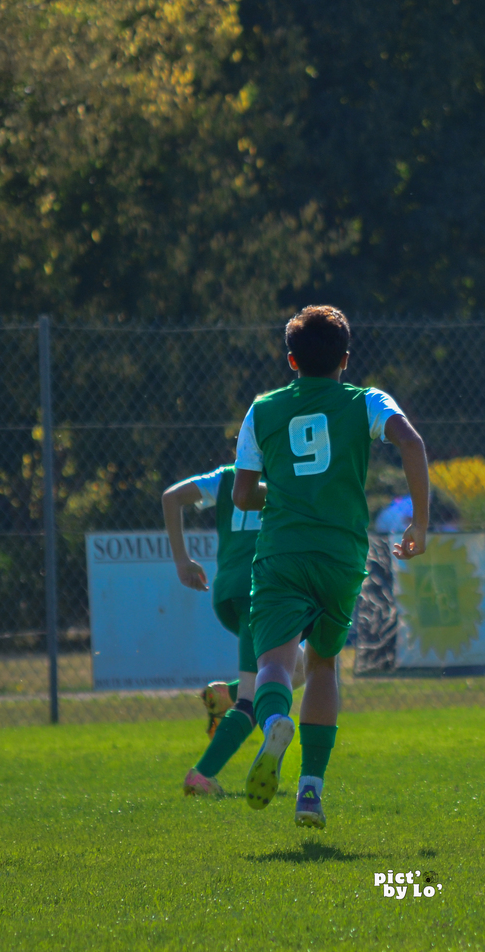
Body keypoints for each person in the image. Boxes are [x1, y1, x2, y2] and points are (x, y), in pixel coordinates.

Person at [232, 305, 431, 829]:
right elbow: (411, 441)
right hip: (341, 554)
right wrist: (420, 522)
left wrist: (288, 491)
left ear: (291, 360)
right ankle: (311, 793)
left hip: (282, 552)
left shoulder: (262, 409)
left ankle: (274, 724)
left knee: (275, 664)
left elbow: (243, 494)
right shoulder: (366, 400)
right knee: (323, 664)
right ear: (345, 359)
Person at [161, 461, 306, 797]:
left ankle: (226, 694)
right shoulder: (290, 476)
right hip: (263, 591)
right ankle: (202, 775)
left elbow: (171, 497)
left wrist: (182, 560)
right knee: (251, 700)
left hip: (228, 592)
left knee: (300, 668)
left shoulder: (227, 477)